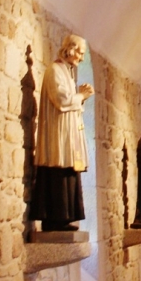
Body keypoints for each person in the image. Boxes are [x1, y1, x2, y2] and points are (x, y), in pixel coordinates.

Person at [30, 34, 94, 231]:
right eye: (80, 53)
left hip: (68, 133)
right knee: (58, 172)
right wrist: (80, 96)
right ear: (70, 49)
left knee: (69, 172)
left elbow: (70, 102)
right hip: (58, 135)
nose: (81, 58)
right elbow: (61, 100)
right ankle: (55, 219)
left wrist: (81, 97)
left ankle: (65, 217)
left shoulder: (67, 71)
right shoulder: (55, 70)